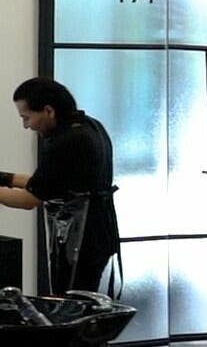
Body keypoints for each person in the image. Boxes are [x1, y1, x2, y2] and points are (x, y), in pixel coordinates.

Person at [0, 78, 119, 295]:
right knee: (83, 300)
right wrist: (5, 178)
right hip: (98, 233)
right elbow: (49, 183)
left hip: (82, 240)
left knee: (72, 303)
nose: (26, 126)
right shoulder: (89, 126)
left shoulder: (67, 141)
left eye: (27, 117)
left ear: (48, 111)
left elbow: (29, 199)